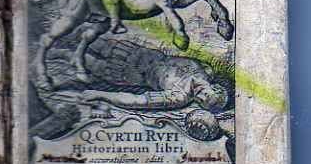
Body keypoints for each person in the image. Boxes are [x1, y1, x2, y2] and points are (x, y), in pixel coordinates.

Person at [76, 39, 229, 111]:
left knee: (71, 56)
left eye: (201, 101)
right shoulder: (206, 70)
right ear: (215, 87)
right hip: (128, 48)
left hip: (120, 70)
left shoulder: (179, 97)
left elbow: (136, 101)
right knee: (80, 35)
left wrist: (100, 94)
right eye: (206, 95)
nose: (199, 96)